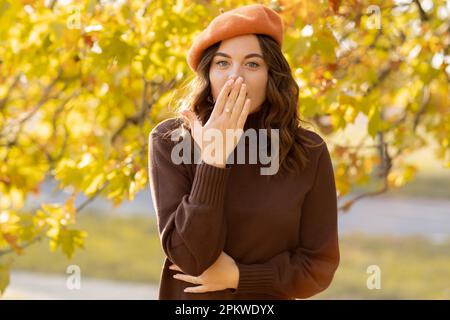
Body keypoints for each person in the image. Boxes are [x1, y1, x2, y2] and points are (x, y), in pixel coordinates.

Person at [148, 4, 340, 300]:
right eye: (222, 64)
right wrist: (213, 158)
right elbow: (190, 257)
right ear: (208, 74)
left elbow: (319, 267)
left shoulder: (309, 152)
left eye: (252, 64)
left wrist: (239, 276)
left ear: (271, 75)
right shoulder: (172, 140)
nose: (234, 77)